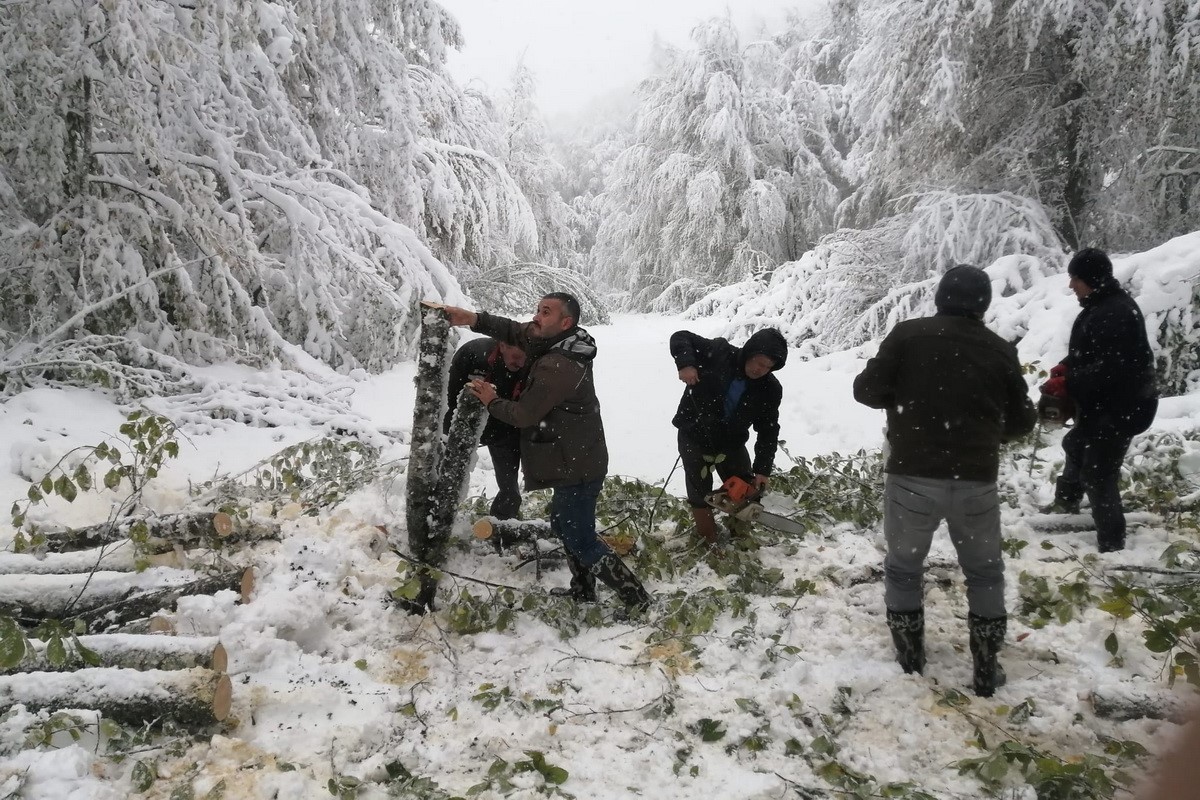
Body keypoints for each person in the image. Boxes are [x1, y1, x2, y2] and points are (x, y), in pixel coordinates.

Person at [853, 265, 1037, 697]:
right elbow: (1021, 420)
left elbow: (866, 390)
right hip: (975, 480)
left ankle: (910, 657)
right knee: (985, 572)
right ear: (983, 305)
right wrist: (989, 431)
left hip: (913, 476)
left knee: (903, 568)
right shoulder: (998, 349)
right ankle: (986, 666)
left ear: (940, 298)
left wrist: (903, 400)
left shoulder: (908, 335)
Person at [441, 294, 651, 615]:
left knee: (580, 537)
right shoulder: (556, 341)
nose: (537, 317)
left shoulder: (558, 365)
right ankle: (583, 591)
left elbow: (524, 414)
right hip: (572, 458)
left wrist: (490, 400)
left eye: (545, 312)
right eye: (538, 310)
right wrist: (472, 319)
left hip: (578, 465)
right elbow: (514, 330)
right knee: (564, 524)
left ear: (565, 323)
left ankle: (636, 598)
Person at [1039, 248, 1158, 553]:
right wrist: (1067, 365)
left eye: (1075, 279)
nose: (1070, 286)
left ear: (1091, 279)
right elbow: (1091, 353)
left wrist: (1069, 381)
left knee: (1098, 472)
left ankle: (1112, 544)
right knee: (1075, 445)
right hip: (1105, 406)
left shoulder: (1114, 312)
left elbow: (1114, 368)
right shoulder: (1099, 306)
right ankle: (1065, 508)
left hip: (1122, 409)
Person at [669, 328, 788, 546]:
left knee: (745, 488)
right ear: (750, 352)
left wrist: (763, 469)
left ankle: (740, 536)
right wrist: (686, 363)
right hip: (694, 432)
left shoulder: (770, 389)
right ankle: (708, 540)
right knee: (699, 490)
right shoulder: (720, 352)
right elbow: (681, 336)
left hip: (730, 440)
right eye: (758, 362)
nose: (760, 370)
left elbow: (768, 429)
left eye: (768, 367)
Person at [444, 337, 526, 520]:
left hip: (504, 429)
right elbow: (450, 398)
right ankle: (442, 516)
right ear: (503, 345)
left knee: (509, 486)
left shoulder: (528, 365)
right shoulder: (472, 354)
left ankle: (503, 524)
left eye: (523, 359)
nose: (519, 363)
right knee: (449, 475)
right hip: (463, 423)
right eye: (515, 357)